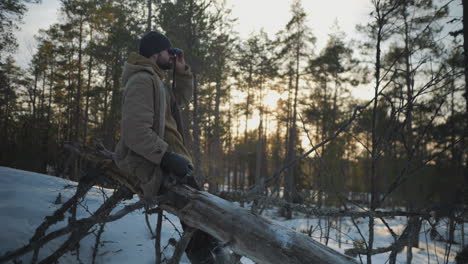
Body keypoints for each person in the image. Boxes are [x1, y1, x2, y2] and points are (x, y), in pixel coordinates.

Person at [114, 31, 221, 264]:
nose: (171, 57)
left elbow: (177, 103)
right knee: (198, 215)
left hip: (170, 161)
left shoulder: (155, 80)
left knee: (203, 217)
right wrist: (166, 157)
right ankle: (206, 257)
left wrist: (181, 72)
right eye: (167, 52)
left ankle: (211, 253)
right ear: (155, 53)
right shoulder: (142, 80)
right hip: (153, 164)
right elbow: (135, 132)